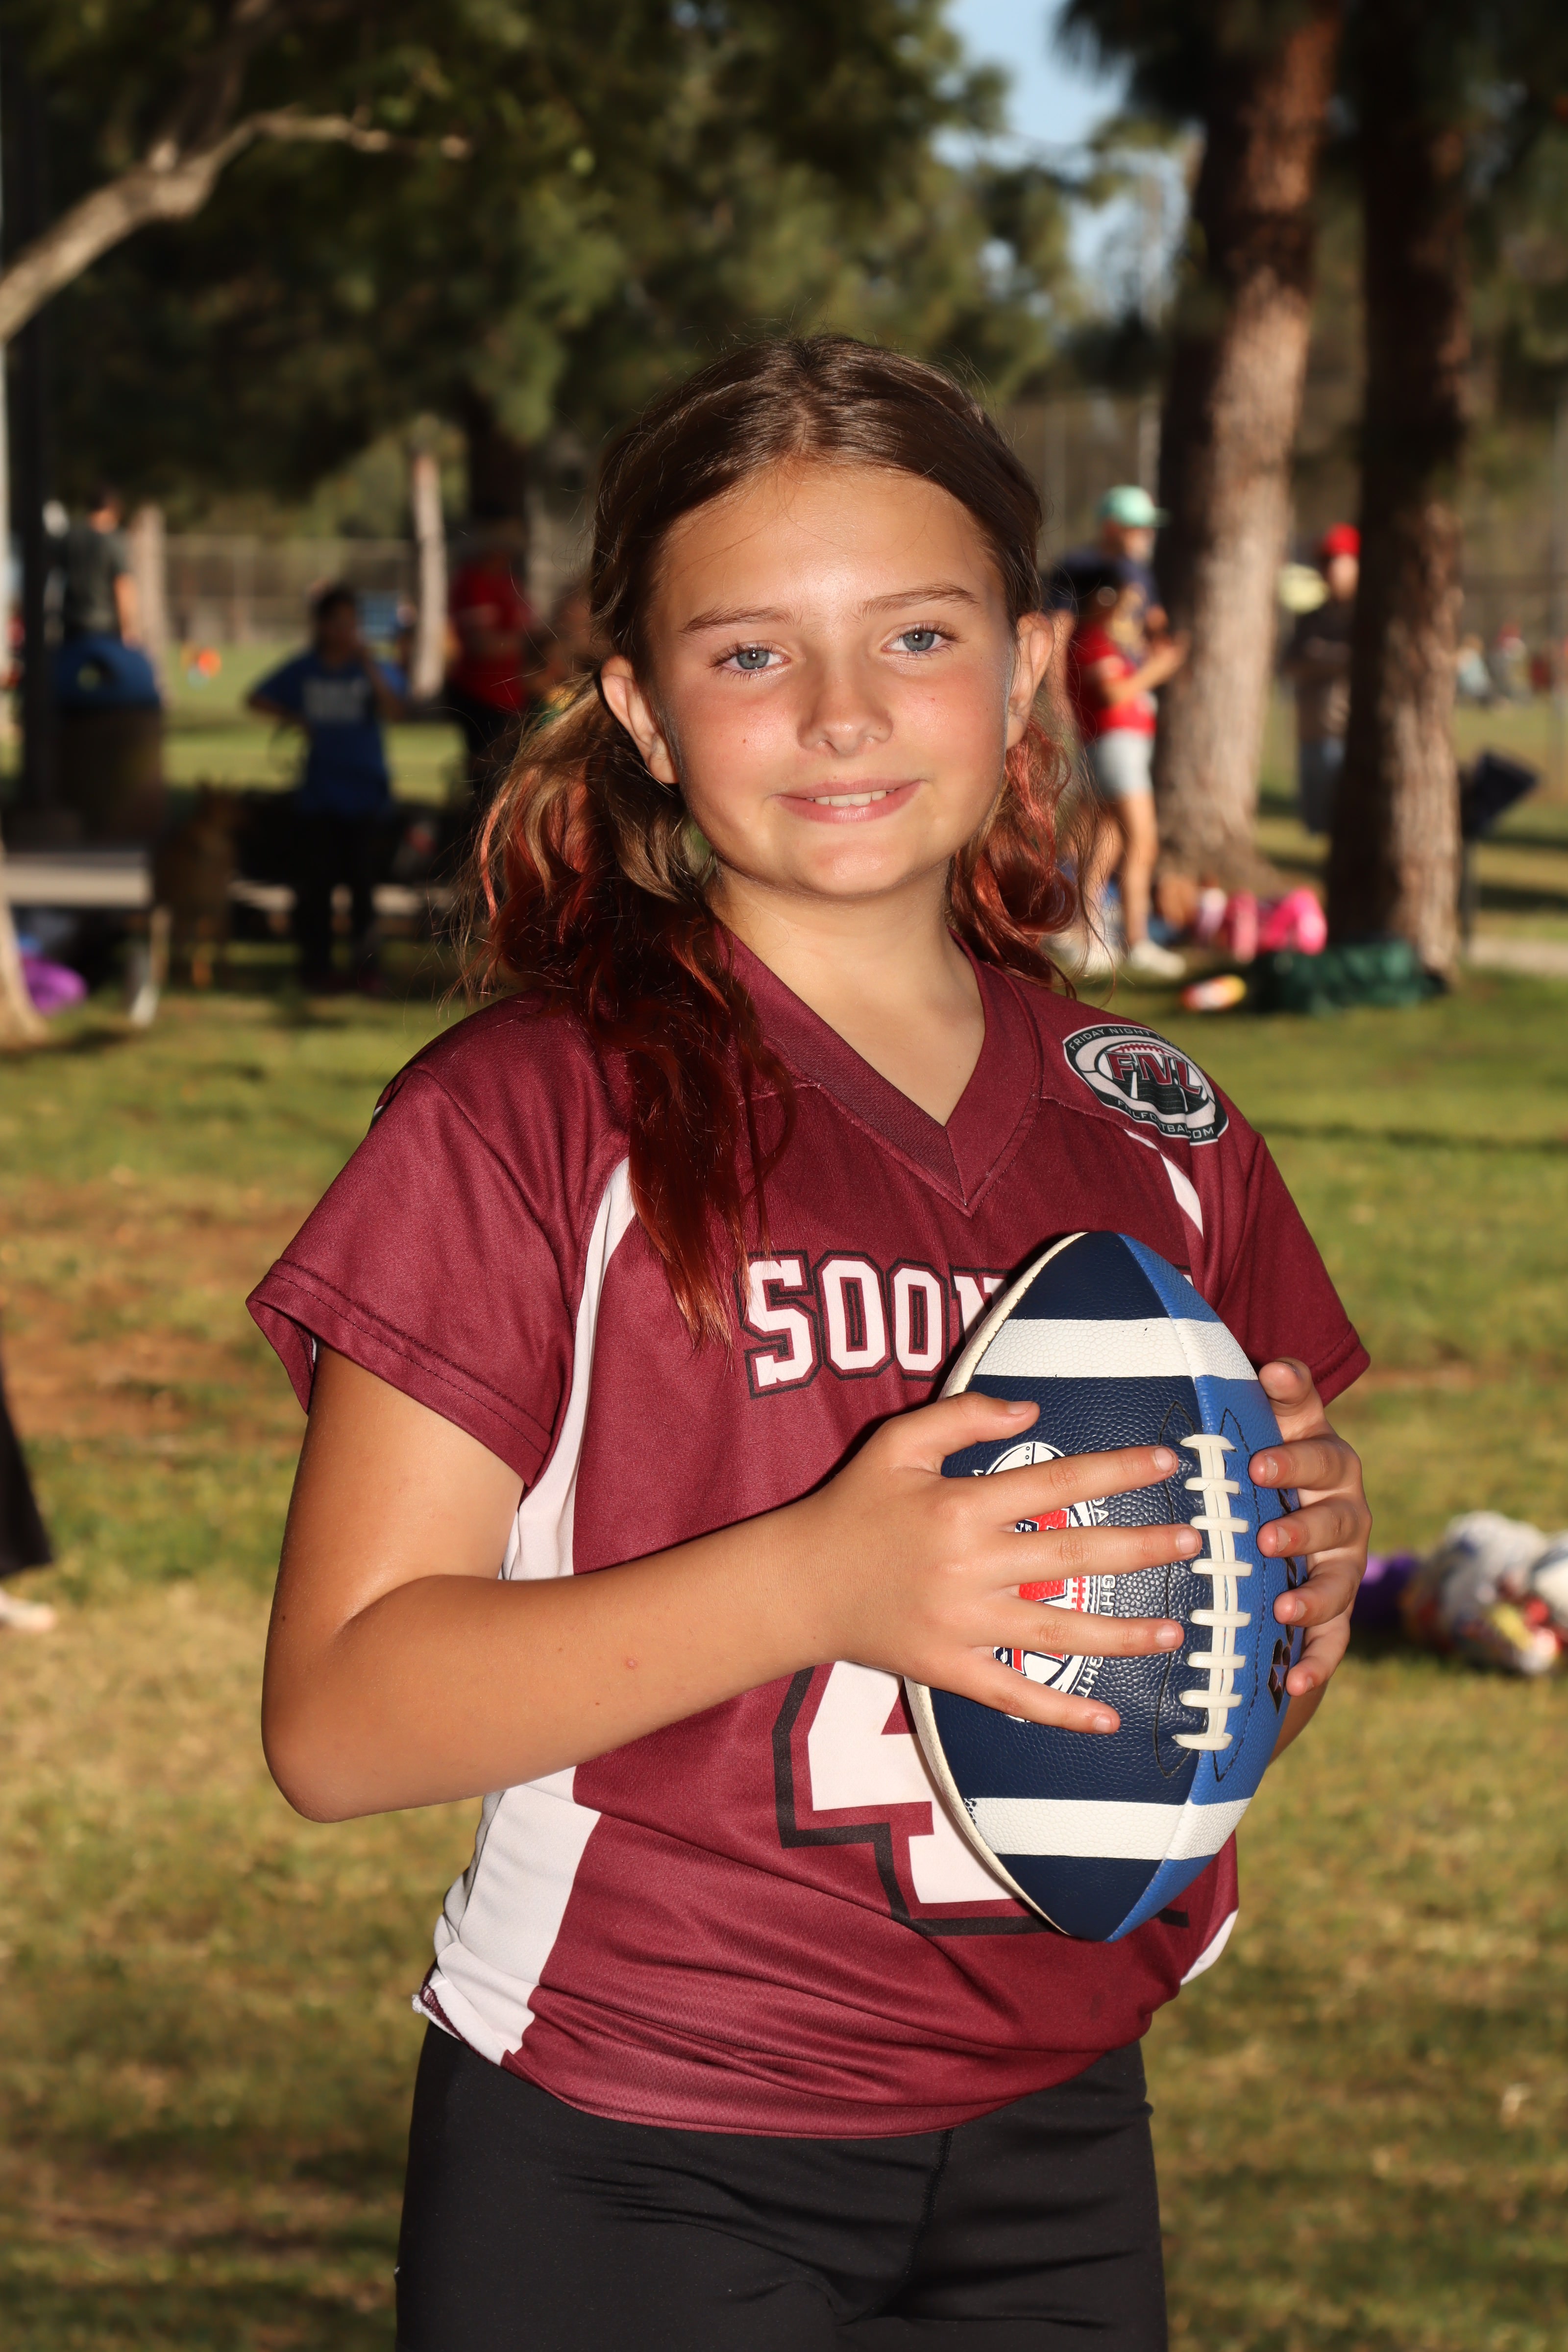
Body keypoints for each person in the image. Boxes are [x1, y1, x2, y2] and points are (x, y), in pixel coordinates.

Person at [249, 338, 1371, 2352]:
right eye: (752, 653)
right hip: (637, 2133)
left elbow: (1186, 1686)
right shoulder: (524, 1116)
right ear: (640, 712)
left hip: (1058, 2122)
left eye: (916, 635)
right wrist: (821, 1580)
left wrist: (1283, 1598)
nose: (842, 712)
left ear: (1025, 670)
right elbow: (337, 1720)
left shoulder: (1160, 1124)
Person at [248, 585, 405, 992]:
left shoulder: (372, 668)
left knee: (362, 884)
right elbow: (255, 699)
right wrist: (294, 718)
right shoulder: (305, 669)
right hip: (319, 793)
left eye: (352, 623)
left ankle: (366, 968)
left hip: (366, 792)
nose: (345, 631)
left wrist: (369, 666)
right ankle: (316, 968)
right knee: (316, 885)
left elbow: (396, 710)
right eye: (336, 622)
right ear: (321, 625)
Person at [1065, 562, 1189, 981]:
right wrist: (1158, 669)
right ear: (1102, 599)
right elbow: (1113, 693)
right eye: (1122, 599)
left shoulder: (1104, 640)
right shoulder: (1094, 639)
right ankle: (1137, 940)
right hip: (1116, 748)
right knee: (1142, 843)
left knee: (1106, 843)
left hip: (1116, 749)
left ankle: (1090, 935)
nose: (1128, 609)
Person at [444, 516, 547, 809]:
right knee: (490, 786)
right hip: (482, 696)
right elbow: (482, 645)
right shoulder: (473, 582)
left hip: (513, 696)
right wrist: (530, 642)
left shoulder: (509, 582)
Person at [1281, 524, 1358, 837]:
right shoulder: (1314, 616)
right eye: (1323, 561)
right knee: (1318, 826)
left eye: (1335, 560)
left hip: (1346, 734)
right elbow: (1290, 662)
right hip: (1311, 731)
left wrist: (1319, 657)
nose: (1327, 569)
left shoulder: (1364, 615)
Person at [61, 486, 140, 646]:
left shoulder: (70, 538)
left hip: (72, 626)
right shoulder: (114, 541)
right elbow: (122, 586)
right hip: (106, 628)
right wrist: (128, 628)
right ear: (113, 510)